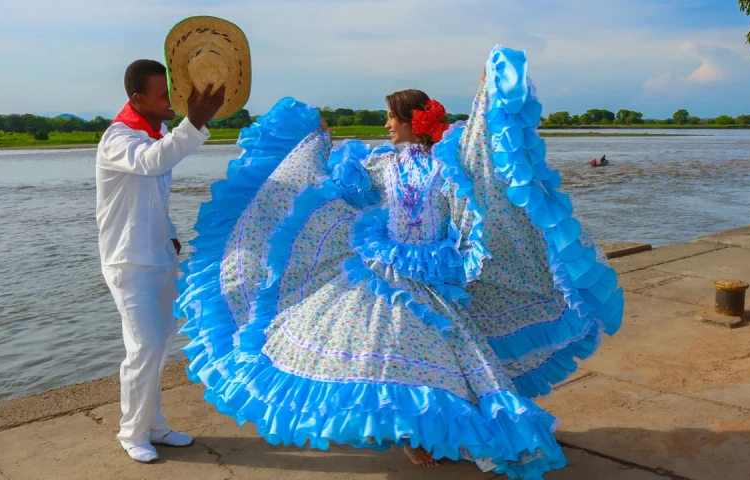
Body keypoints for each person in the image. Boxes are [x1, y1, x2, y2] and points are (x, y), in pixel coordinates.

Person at [176, 46, 623, 479]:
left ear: (414, 121)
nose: (386, 125)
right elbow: (329, 177)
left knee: (452, 358)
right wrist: (316, 137)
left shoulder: (448, 164)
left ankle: (443, 434)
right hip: (381, 271)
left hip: (432, 276)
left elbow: (483, 141)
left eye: (391, 118)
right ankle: (412, 439)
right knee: (387, 353)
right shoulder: (379, 163)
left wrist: (487, 86)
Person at [96, 59, 225, 463]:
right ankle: (131, 431)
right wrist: (196, 121)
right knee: (145, 346)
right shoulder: (118, 138)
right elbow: (154, 162)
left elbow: (154, 193)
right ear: (138, 99)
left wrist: (169, 233)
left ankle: (153, 424)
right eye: (164, 94)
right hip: (128, 262)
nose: (173, 99)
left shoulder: (159, 132)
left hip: (159, 256)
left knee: (162, 340)